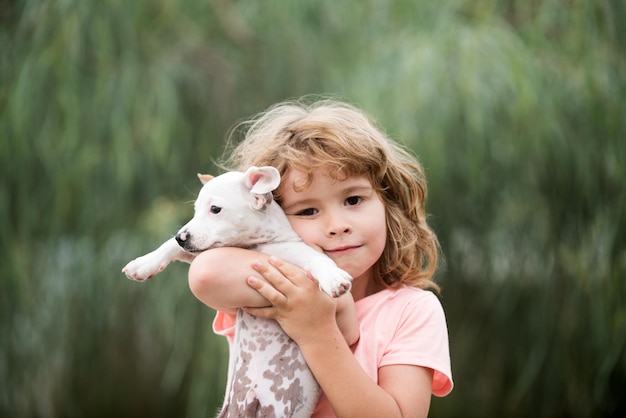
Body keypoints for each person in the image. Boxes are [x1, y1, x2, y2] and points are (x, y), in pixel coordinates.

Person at [188, 97, 453, 417]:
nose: (337, 226)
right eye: (308, 210)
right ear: (272, 217)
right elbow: (205, 274)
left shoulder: (412, 310)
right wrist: (312, 292)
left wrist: (317, 330)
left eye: (353, 199)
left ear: (387, 204)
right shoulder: (273, 290)